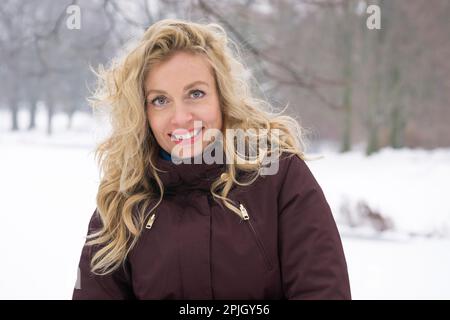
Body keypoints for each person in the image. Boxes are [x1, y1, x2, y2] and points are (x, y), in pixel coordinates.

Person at [72, 18, 351, 300]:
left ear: (221, 97)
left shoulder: (279, 176)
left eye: (195, 93)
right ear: (143, 112)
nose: (180, 118)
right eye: (160, 100)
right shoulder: (123, 200)